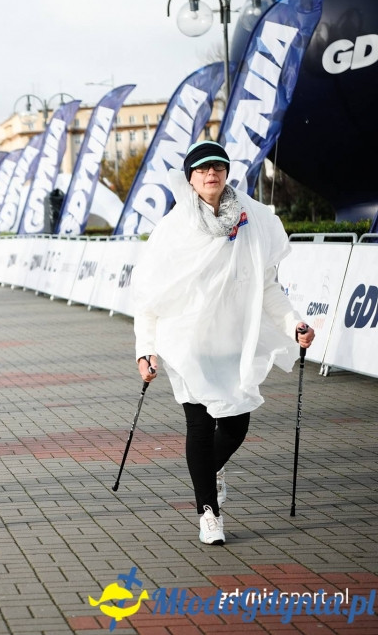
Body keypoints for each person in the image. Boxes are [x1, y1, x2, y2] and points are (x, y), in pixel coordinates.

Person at [131, 141, 315, 546]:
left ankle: (209, 471)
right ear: (190, 178)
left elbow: (267, 286)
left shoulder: (252, 217)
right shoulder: (173, 228)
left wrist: (293, 323)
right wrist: (146, 349)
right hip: (189, 340)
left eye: (217, 167)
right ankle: (208, 513)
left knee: (235, 425)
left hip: (233, 338)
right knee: (198, 424)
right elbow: (148, 297)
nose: (211, 174)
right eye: (202, 169)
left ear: (226, 172)